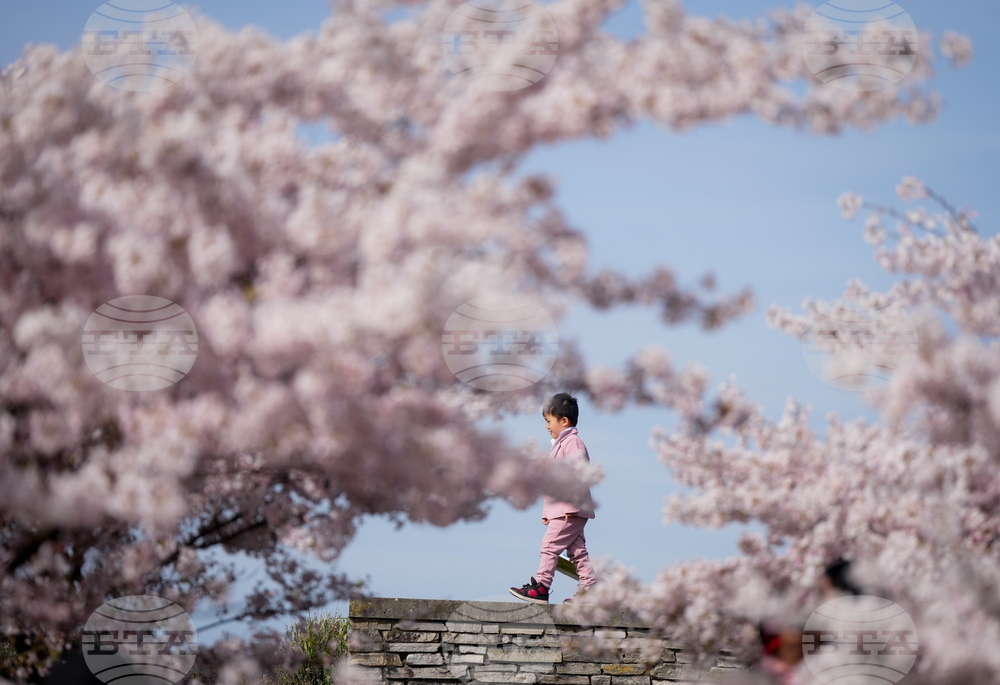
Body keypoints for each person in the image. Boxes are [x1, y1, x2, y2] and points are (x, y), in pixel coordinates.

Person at [508, 392, 597, 604]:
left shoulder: (572, 443)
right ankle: (591, 590)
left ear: (563, 420)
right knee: (577, 552)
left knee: (549, 546)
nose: (547, 426)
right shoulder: (560, 445)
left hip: (570, 510)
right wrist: (549, 513)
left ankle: (542, 586)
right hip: (565, 511)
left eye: (549, 421)